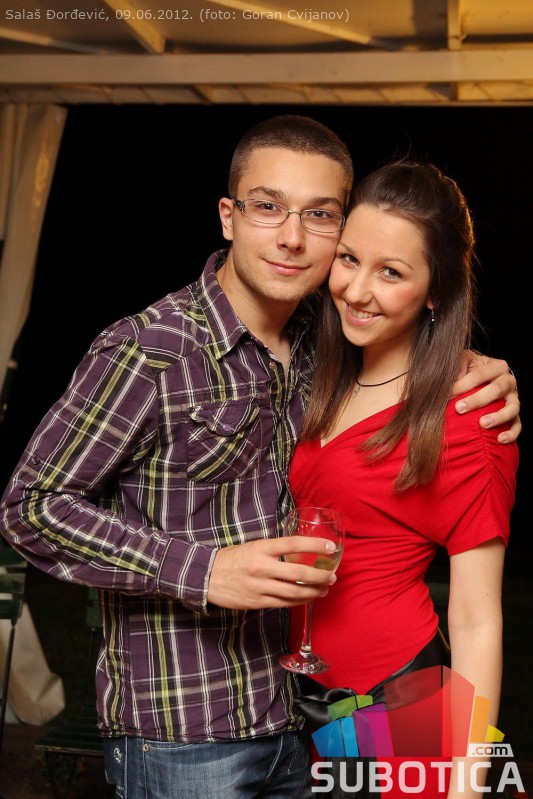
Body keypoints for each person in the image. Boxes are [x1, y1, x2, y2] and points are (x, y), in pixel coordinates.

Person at [0, 116, 520, 799]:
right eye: (268, 206)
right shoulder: (151, 350)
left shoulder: (318, 349)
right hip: (189, 728)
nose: (293, 237)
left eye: (320, 215)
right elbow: (30, 507)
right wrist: (206, 569)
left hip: (319, 710)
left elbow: (475, 613)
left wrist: (467, 361)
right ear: (229, 216)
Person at [287, 159, 519, 797]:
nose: (357, 290)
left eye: (391, 272)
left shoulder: (470, 419)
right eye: (349, 259)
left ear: (437, 290)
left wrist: (466, 784)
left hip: (389, 699)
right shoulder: (317, 369)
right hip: (288, 691)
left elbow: (476, 620)